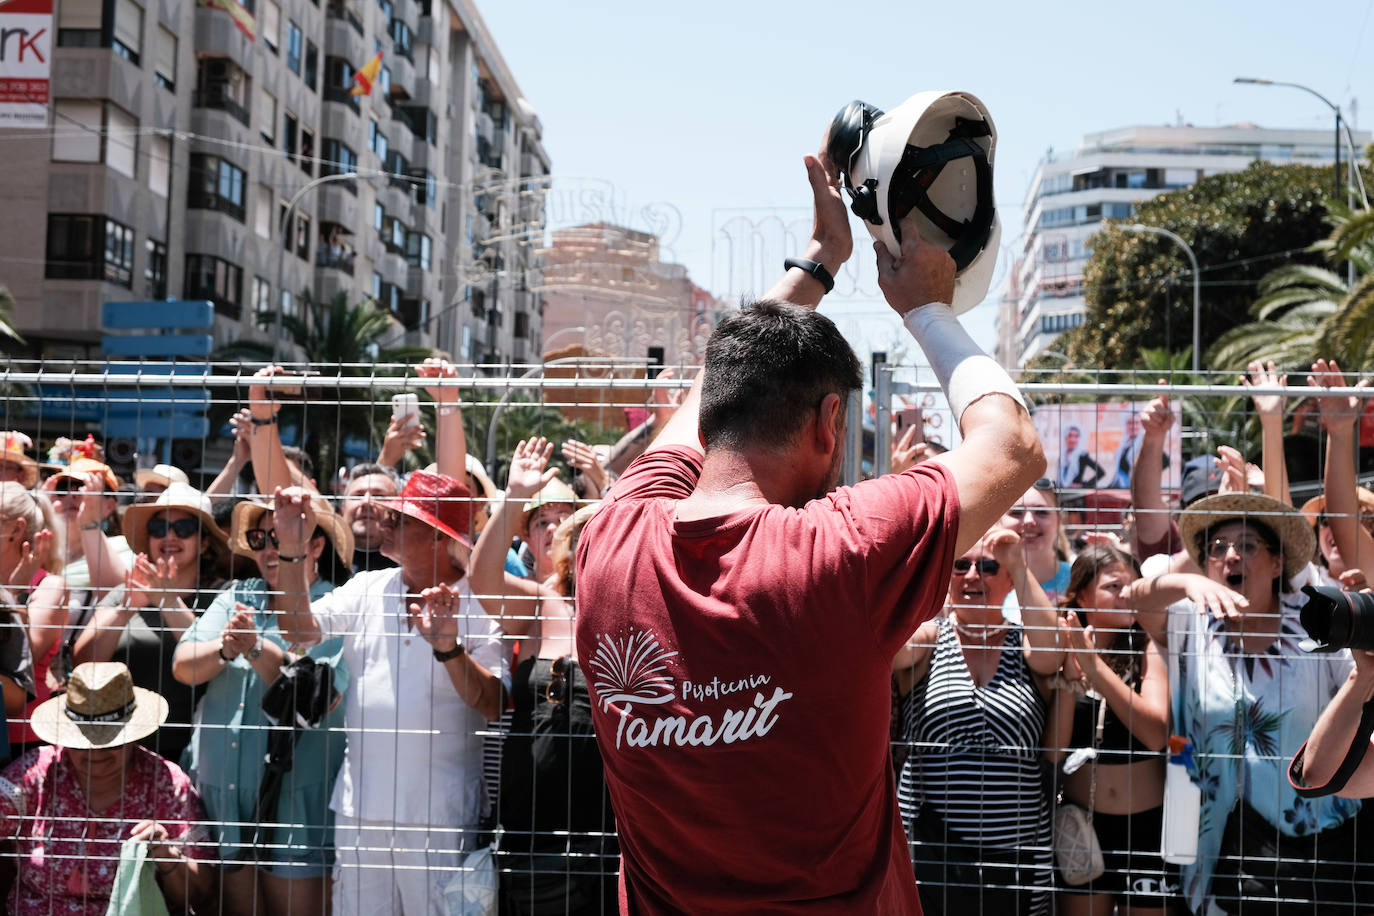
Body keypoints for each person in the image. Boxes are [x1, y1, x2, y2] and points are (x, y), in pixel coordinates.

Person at [573, 150, 1044, 912]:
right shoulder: (840, 552)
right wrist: (925, 307)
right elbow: (1013, 445)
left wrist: (820, 260)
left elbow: (707, 393)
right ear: (830, 422)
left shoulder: (610, 540)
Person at [272, 466, 508, 915]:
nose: (386, 520)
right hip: (361, 810)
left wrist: (449, 648)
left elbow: (494, 703)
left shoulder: (480, 603)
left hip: (439, 819)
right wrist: (290, 548)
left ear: (439, 536)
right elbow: (298, 629)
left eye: (401, 517)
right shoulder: (367, 587)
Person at [1130, 492, 1362, 914]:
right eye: (1218, 548)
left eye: (1247, 545)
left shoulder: (1315, 620)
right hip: (1208, 846)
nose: (1231, 556)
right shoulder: (1189, 620)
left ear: (1277, 564)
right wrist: (1184, 582)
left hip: (1311, 851)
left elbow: (1361, 681)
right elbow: (1137, 598)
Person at [172, 494, 353, 916]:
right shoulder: (238, 594)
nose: (270, 548)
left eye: (281, 537)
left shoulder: (334, 606)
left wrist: (253, 647)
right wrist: (226, 648)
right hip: (224, 799)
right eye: (260, 538)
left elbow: (312, 696)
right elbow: (184, 665)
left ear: (316, 545)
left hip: (296, 801)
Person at [472, 440, 616, 913]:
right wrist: (514, 495)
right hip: (533, 819)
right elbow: (481, 580)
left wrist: (605, 484)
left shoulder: (623, 600)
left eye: (566, 521)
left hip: (609, 816)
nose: (556, 531)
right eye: (541, 522)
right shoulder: (535, 603)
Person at [892, 528, 1063, 916]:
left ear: (1010, 580)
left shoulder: (1025, 644)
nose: (972, 575)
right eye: (959, 565)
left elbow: (1054, 653)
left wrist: (1017, 561)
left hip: (1016, 856)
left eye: (988, 567)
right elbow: (893, 650)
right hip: (931, 852)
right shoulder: (930, 638)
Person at [0, 661, 214, 914]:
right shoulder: (35, 773)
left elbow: (199, 892)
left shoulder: (166, 783)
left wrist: (166, 853)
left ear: (133, 736)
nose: (96, 753)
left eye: (111, 743)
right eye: (83, 743)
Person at [1052, 545, 1177, 915]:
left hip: (1148, 828)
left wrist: (1094, 668)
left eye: (1133, 586)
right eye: (1113, 586)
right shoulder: (1061, 645)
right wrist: (1069, 676)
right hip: (1082, 826)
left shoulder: (1148, 646)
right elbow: (1054, 749)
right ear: (1081, 596)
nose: (1127, 594)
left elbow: (1155, 734)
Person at [71, 482, 231, 765]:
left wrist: (166, 600)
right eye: (159, 528)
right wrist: (126, 609)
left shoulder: (223, 596)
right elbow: (83, 661)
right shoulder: (124, 593)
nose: (169, 536)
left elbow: (210, 661)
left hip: (194, 753)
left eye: (184, 528)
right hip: (117, 751)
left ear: (204, 542)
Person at [0, 482, 65, 756]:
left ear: (16, 529)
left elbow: (26, 656)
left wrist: (13, 595)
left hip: (24, 741)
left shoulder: (49, 586)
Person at [1003, 478, 1074, 606]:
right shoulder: (979, 577)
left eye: (1041, 512)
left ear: (1059, 521)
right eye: (1016, 513)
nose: (1029, 521)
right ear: (999, 521)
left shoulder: (1079, 581)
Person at [339, 463, 401, 572]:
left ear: (398, 511)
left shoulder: (410, 569)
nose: (366, 502)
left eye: (379, 496)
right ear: (343, 509)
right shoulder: (318, 558)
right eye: (358, 496)